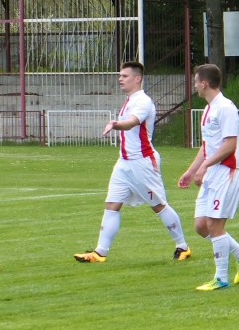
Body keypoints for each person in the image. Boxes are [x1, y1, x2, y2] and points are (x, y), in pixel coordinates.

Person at [74, 62, 190, 265]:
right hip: (124, 163)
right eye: (120, 75)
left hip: (142, 162)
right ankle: (100, 253)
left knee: (158, 206)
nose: (120, 79)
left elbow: (133, 122)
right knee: (111, 205)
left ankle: (182, 247)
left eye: (125, 76)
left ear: (137, 78)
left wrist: (116, 124)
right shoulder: (129, 100)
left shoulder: (143, 101)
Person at [178, 64, 239, 291]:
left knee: (214, 224)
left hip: (226, 171)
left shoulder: (226, 107)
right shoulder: (208, 109)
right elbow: (206, 147)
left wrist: (206, 167)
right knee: (201, 226)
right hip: (213, 172)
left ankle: (221, 277)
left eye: (195, 81)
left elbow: (229, 145)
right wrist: (192, 170)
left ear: (204, 83)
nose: (194, 86)